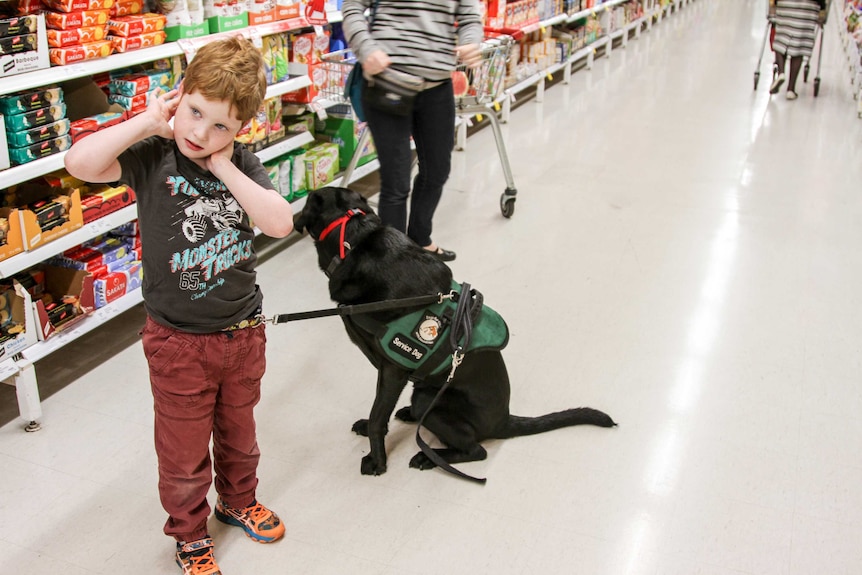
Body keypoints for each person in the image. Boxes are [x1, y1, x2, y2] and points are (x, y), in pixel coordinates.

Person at [64, 37, 294, 575]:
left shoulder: (243, 164)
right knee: (183, 450)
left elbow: (281, 223)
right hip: (178, 342)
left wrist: (225, 168)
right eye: (194, 113)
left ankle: (238, 500)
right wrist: (147, 123)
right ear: (179, 96)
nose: (200, 134)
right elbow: (80, 163)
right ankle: (189, 532)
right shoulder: (152, 157)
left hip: (243, 332)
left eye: (221, 127)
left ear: (242, 130)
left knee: (241, 433)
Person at [341, 0, 484, 262]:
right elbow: (352, 7)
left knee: (437, 171)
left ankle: (419, 238)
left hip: (438, 85)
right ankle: (395, 262)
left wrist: (471, 41)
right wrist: (366, 48)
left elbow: (470, 17)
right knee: (396, 183)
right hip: (388, 81)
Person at [769, 0, 827, 100]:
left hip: (785, 5)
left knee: (781, 38)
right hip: (809, 7)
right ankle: (791, 89)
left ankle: (781, 73)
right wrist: (822, 7)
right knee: (800, 43)